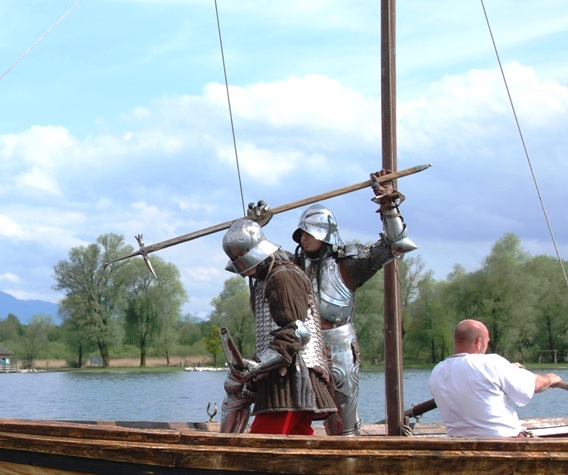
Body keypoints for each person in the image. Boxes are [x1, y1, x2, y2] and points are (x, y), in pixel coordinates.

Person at [271, 173, 416, 435]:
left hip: (338, 346)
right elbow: (256, 258)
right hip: (302, 345)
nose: (304, 238)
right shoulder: (292, 265)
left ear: (325, 234)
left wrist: (388, 205)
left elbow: (396, 244)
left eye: (310, 233)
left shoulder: (348, 264)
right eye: (302, 233)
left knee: (342, 426)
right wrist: (254, 226)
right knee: (290, 416)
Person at [219, 219, 336, 435]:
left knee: (264, 443)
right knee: (297, 443)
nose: (244, 272)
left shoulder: (283, 276)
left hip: (291, 379)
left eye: (244, 263)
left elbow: (297, 332)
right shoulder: (268, 276)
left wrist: (256, 364)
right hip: (283, 377)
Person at [428, 319, 565, 438]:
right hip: (506, 446)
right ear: (479, 342)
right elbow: (534, 385)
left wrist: (509, 369)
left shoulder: (437, 371)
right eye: (487, 342)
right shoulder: (490, 363)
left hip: (460, 446)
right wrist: (550, 378)